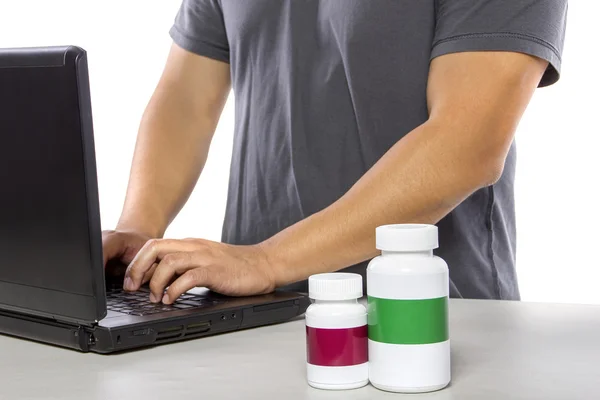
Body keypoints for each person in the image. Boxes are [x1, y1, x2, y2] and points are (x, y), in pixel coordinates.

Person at [103, 0, 568, 305]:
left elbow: (468, 142)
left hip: (429, 318)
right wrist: (139, 229)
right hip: (254, 314)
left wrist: (264, 260)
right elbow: (187, 97)